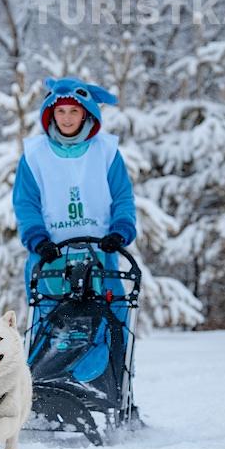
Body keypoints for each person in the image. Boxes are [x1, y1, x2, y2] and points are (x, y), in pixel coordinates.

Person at [12, 77, 137, 340]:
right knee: (51, 333)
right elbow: (26, 204)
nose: (67, 118)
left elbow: (122, 197)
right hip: (50, 257)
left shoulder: (106, 152)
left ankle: (109, 377)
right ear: (51, 114)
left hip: (102, 255)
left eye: (74, 111)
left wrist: (121, 230)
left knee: (110, 328)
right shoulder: (35, 156)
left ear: (86, 113)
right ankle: (46, 381)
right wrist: (37, 239)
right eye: (60, 111)